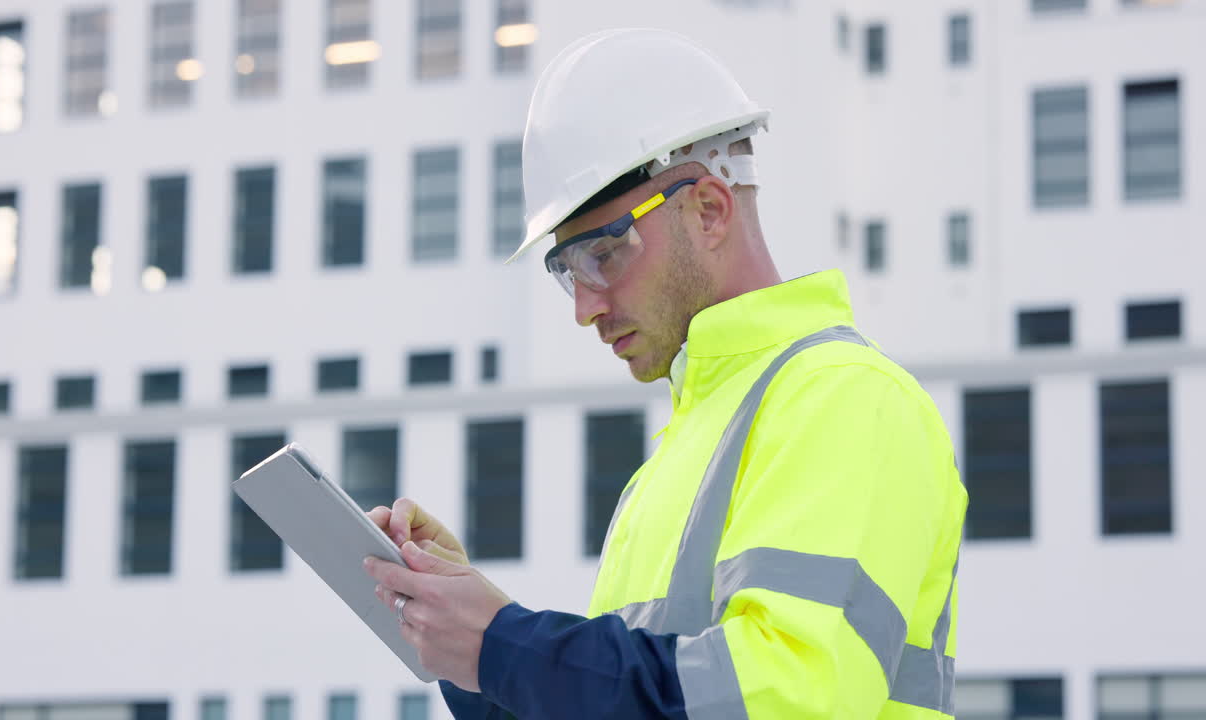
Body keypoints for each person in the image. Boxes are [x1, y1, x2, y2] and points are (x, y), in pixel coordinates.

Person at [362, 28, 967, 719]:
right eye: (567, 272)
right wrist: (469, 647)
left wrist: (503, 644)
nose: (586, 308)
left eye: (603, 254)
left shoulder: (845, 398)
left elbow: (784, 699)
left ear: (708, 209)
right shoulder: (680, 455)